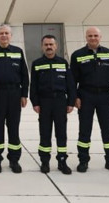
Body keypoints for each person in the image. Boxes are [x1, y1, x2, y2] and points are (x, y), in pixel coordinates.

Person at [70, 27, 109, 174]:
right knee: (84, 130)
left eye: (95, 35)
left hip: (105, 96)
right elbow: (72, 79)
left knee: (107, 130)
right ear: (86, 37)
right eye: (90, 36)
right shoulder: (77, 55)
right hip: (85, 95)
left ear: (100, 37)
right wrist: (75, 97)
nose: (93, 38)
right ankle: (83, 161)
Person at [0, 24, 29, 174]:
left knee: (14, 128)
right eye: (1, 33)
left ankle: (14, 160)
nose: (4, 36)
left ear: (11, 36)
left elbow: (24, 75)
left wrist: (24, 94)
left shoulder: (18, 52)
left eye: (7, 33)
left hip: (15, 94)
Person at [30, 35, 76, 174]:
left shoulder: (63, 62)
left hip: (60, 101)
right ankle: (45, 162)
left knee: (61, 133)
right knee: (45, 132)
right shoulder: (37, 63)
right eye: (46, 44)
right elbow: (34, 86)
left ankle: (62, 161)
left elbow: (71, 85)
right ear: (42, 46)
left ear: (56, 46)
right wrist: (35, 103)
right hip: (44, 102)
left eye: (51, 44)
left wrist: (71, 102)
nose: (49, 47)